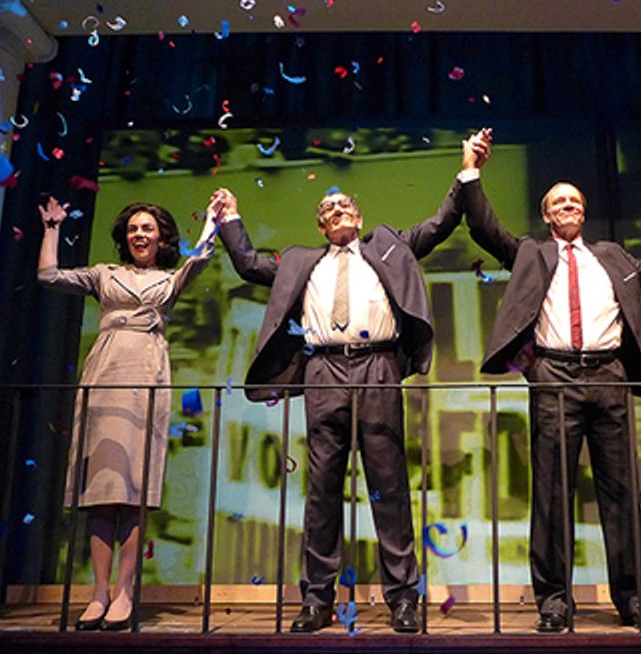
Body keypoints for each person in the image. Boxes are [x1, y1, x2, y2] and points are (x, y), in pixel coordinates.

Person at [459, 129, 641, 633]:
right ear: (546, 215)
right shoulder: (529, 254)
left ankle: (633, 600)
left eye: (574, 201)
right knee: (552, 494)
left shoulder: (612, 256)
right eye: (558, 201)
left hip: (608, 375)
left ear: (582, 213)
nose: (567, 206)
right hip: (555, 375)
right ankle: (555, 601)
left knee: (621, 492)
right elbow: (483, 226)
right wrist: (472, 166)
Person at [213, 178, 463, 633]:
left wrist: (466, 175)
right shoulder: (300, 263)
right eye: (329, 209)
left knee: (388, 484)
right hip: (324, 371)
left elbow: (438, 225)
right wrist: (229, 215)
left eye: (345, 205)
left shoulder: (387, 248)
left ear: (359, 216)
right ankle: (316, 599)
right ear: (320, 225)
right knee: (322, 487)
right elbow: (249, 264)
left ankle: (403, 598)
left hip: (378, 368)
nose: (338, 211)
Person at [37, 196, 218, 630]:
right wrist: (51, 228)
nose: (140, 234)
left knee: (134, 490)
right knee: (102, 489)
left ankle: (124, 591)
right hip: (106, 371)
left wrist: (212, 219)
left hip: (147, 372)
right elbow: (47, 276)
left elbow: (205, 256)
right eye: (134, 228)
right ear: (126, 236)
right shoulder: (105, 274)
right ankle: (97, 592)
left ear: (161, 238)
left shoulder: (170, 280)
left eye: (148, 228)